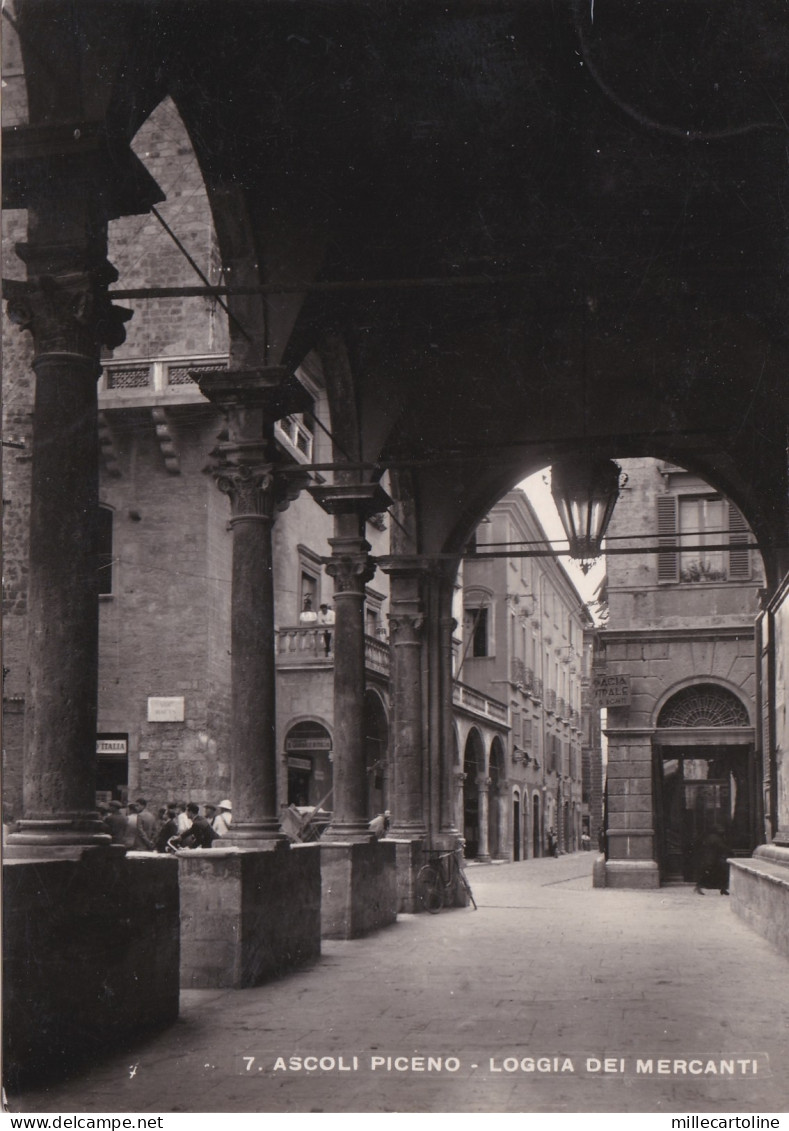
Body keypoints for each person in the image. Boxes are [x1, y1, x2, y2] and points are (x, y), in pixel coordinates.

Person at [694, 826, 731, 895]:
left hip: (710, 859)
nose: (722, 831)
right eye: (720, 829)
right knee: (721, 874)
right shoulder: (716, 838)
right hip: (713, 859)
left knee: (712, 874)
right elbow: (722, 847)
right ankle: (722, 888)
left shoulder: (710, 837)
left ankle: (699, 887)